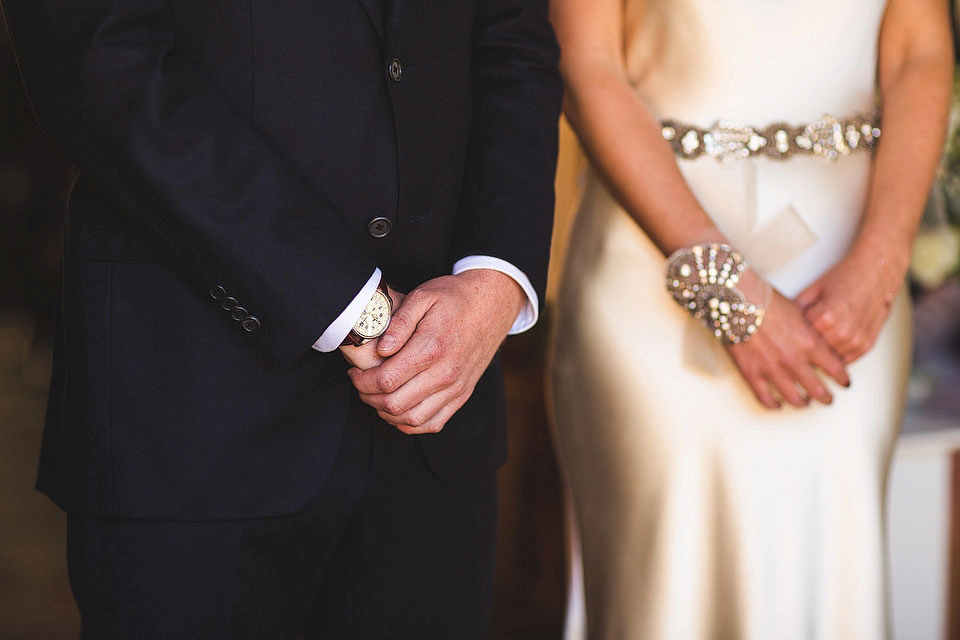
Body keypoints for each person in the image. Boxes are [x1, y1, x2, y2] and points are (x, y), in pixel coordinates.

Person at [0, 0, 561, 637]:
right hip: (190, 404)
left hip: (442, 402)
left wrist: (496, 279)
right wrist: (349, 305)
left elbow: (514, 40)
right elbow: (96, 57)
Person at [548, 0, 952, 638]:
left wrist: (882, 256)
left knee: (833, 558)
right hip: (649, 261)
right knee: (665, 576)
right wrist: (724, 288)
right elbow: (584, 62)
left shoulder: (869, 264)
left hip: (850, 264)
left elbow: (919, 54)